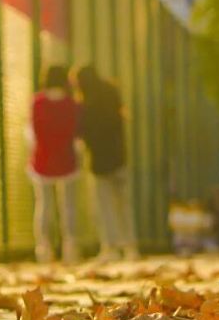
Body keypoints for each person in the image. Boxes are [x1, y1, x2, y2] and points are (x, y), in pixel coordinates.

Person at [73, 64, 138, 261]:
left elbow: (83, 135)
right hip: (119, 157)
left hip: (99, 162)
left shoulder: (86, 104)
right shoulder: (111, 92)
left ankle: (110, 247)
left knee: (105, 206)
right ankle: (130, 247)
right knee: (124, 204)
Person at [28, 63, 79, 263]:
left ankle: (43, 248)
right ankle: (70, 247)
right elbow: (75, 133)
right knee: (68, 206)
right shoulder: (71, 104)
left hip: (42, 160)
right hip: (67, 160)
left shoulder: (37, 102)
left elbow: (32, 132)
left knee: (44, 205)